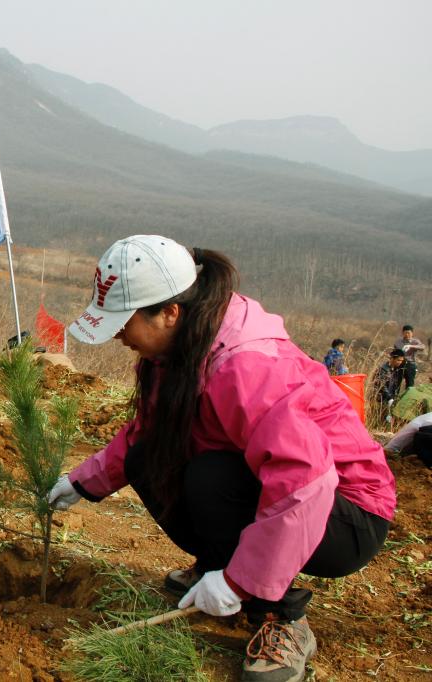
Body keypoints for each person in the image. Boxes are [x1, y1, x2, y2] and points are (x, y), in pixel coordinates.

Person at [50, 235, 395, 682]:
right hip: (286, 492)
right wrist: (82, 482)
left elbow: (305, 482)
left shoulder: (246, 366)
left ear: (170, 312)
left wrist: (240, 582)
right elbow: (149, 433)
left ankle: (280, 618)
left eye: (124, 321)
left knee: (211, 477)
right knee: (146, 457)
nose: (117, 334)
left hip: (347, 514)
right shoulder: (174, 350)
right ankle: (220, 565)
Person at [374, 349, 407, 417]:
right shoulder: (383, 369)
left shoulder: (395, 368)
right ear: (392, 358)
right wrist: (389, 398)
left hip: (390, 397)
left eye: (401, 360)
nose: (400, 362)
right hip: (382, 399)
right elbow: (381, 385)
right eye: (398, 360)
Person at [393, 325, 424, 389]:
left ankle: (408, 398)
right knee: (396, 383)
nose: (407, 334)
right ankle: (394, 398)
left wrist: (411, 346)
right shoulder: (398, 342)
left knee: (410, 385)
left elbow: (422, 347)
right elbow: (394, 351)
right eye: (405, 333)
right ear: (402, 333)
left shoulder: (415, 341)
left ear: (412, 333)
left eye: (408, 333)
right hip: (399, 364)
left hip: (410, 364)